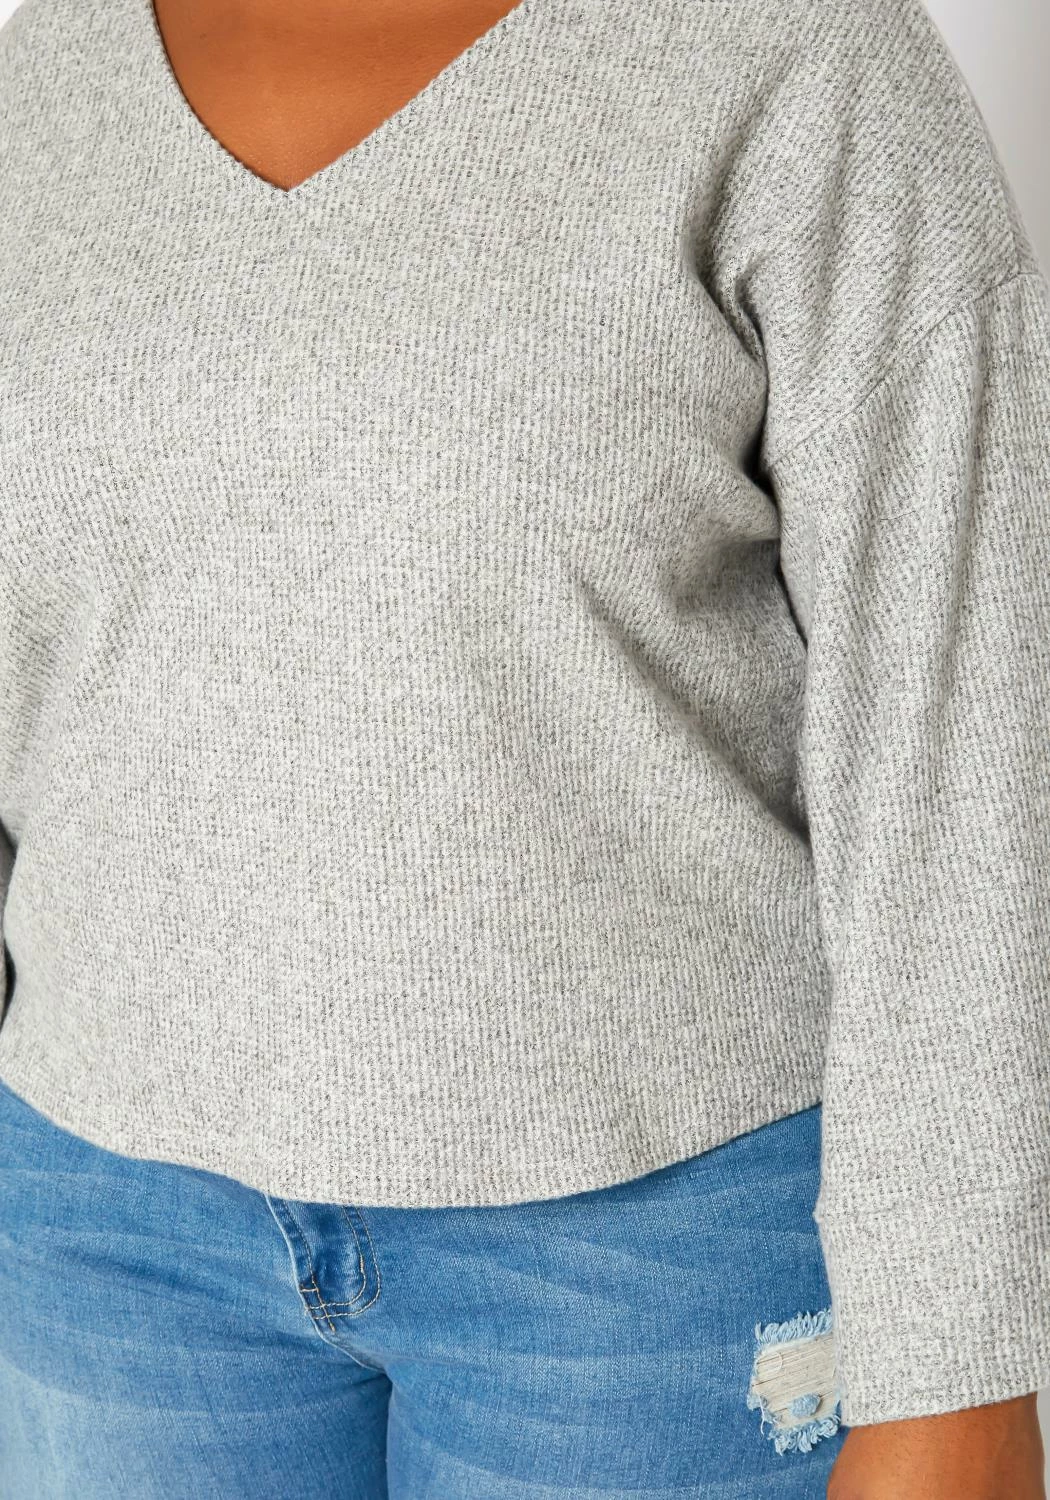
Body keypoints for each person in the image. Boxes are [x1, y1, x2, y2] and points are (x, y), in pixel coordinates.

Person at [0, 0, 1046, 1494]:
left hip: (647, 1257)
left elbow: (959, 744)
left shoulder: (794, 58)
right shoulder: (41, 79)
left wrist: (952, 1366)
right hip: (101, 1232)